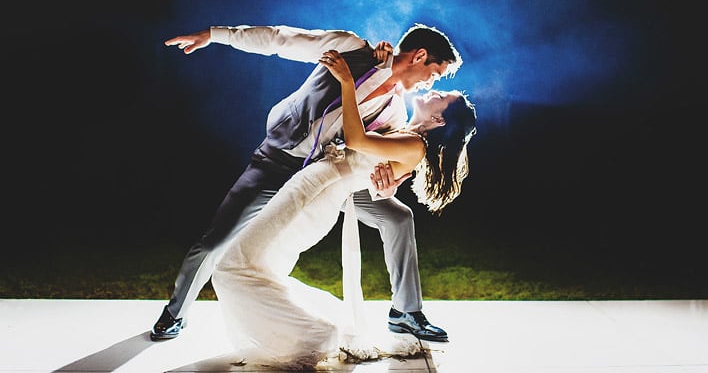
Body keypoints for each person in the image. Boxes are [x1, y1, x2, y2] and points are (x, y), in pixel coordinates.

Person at [152, 23, 462, 343]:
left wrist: (387, 187)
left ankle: (405, 312)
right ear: (420, 55)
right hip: (276, 164)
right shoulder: (351, 49)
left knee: (398, 216)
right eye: (434, 73)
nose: (430, 82)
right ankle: (175, 313)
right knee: (217, 240)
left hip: (325, 180)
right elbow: (279, 39)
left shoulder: (396, 114)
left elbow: (376, 168)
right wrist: (215, 35)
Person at [210, 48, 477, 367]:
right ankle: (311, 331)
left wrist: (347, 82)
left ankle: (317, 335)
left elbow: (357, 141)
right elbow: (375, 169)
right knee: (251, 265)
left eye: (441, 96)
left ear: (438, 119)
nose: (434, 89)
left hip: (313, 195)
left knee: (232, 267)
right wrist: (385, 185)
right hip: (311, 187)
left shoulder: (414, 146)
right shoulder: (403, 130)